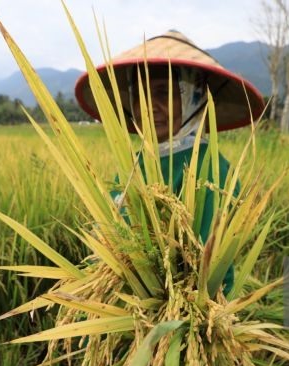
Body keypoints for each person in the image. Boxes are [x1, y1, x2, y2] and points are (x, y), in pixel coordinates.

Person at [74, 30, 265, 296]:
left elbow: (200, 271)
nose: (148, 106)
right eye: (139, 94)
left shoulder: (209, 170)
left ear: (193, 99)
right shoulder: (133, 163)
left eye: (163, 93)